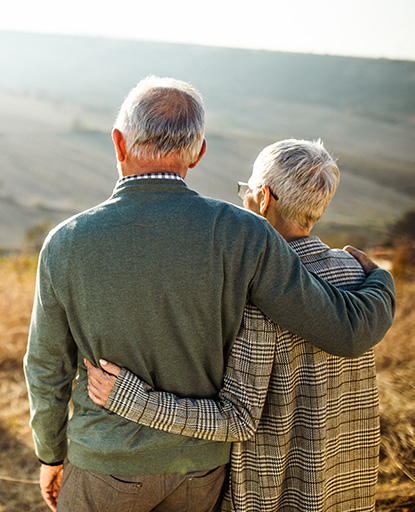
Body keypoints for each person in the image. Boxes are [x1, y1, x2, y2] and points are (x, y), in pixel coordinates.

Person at [23, 76, 395, 512]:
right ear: (198, 153)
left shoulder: (66, 242)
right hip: (200, 470)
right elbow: (341, 329)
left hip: (105, 464)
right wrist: (380, 281)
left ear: (118, 143)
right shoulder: (243, 233)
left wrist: (50, 453)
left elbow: (47, 368)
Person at [86, 139, 381, 512]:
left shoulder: (255, 294)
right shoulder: (356, 273)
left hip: (275, 493)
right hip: (346, 485)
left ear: (262, 197)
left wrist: (133, 400)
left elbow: (239, 419)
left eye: (245, 191)